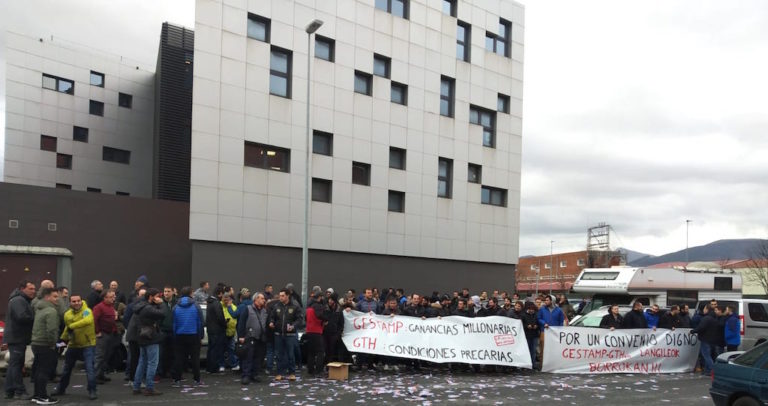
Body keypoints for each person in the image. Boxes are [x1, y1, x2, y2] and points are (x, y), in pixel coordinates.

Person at [55, 294, 97, 400]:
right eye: (74, 301)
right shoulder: (67, 314)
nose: (77, 303)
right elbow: (67, 330)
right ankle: (60, 389)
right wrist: (61, 341)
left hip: (88, 344)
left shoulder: (87, 311)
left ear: (81, 301)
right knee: (66, 369)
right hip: (73, 345)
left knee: (90, 369)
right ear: (70, 303)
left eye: (78, 300)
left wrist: (72, 326)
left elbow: (88, 321)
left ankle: (92, 390)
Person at [3, 280, 36, 400]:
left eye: (34, 289)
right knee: (16, 365)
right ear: (22, 289)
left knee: (14, 364)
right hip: (17, 337)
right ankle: (19, 391)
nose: (34, 291)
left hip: (16, 337)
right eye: (31, 289)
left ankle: (9, 391)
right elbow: (22, 317)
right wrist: (35, 317)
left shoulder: (19, 299)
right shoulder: (18, 300)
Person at [30, 287, 62, 404]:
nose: (57, 299)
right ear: (47, 297)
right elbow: (52, 330)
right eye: (55, 296)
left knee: (38, 370)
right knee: (44, 371)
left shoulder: (39, 309)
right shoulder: (51, 311)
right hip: (45, 344)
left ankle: (36, 395)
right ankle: (42, 396)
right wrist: (53, 343)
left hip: (36, 343)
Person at [132, 288, 166, 396]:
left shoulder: (141, 306)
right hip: (151, 337)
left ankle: (136, 386)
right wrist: (162, 304)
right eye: (157, 296)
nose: (159, 298)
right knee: (152, 363)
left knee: (142, 362)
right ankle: (149, 387)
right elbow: (162, 314)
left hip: (142, 336)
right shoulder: (148, 308)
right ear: (151, 297)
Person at [171, 287, 204, 387]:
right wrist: (200, 336)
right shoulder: (196, 306)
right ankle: (197, 379)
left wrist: (175, 335)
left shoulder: (176, 306)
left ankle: (177, 380)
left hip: (179, 335)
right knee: (195, 359)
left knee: (179, 358)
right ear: (190, 293)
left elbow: (174, 323)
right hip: (193, 334)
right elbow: (200, 322)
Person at [269, 288, 304, 381]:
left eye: (283, 296)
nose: (280, 297)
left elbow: (300, 319)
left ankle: (292, 373)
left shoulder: (295, 306)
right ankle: (279, 373)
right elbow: (272, 317)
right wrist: (271, 322)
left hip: (290, 335)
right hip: (278, 334)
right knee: (279, 354)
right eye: (280, 296)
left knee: (290, 354)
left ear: (288, 296)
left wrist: (293, 326)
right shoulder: (277, 306)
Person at [237, 293, 268, 384]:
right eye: (262, 298)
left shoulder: (264, 311)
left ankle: (255, 374)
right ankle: (246, 375)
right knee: (248, 357)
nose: (264, 300)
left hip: (260, 338)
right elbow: (241, 323)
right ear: (256, 299)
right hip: (249, 337)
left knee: (258, 358)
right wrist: (241, 336)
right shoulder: (248, 309)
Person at [93, 290, 120, 384]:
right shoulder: (99, 307)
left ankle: (101, 374)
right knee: (100, 356)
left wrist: (115, 330)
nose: (113, 298)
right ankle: (95, 376)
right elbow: (94, 320)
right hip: (102, 334)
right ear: (105, 298)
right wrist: (97, 332)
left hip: (110, 333)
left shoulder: (111, 306)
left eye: (113, 297)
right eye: (111, 297)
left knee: (106, 355)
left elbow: (112, 320)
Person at [691, 305, 724, 375]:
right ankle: (707, 370)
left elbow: (701, 327)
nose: (703, 310)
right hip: (713, 340)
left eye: (704, 309)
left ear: (707, 309)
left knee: (706, 356)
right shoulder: (714, 318)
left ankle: (712, 370)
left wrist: (693, 331)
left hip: (706, 339)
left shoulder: (706, 318)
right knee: (708, 355)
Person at [304, 289, 327, 376]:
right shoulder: (318, 306)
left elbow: (306, 318)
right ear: (320, 297)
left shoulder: (309, 307)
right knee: (320, 351)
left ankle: (310, 370)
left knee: (311, 352)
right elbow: (319, 315)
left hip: (309, 330)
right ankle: (319, 370)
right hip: (316, 331)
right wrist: (326, 320)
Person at [206, 287, 227, 373]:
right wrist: (225, 324)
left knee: (211, 348)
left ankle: (209, 367)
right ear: (220, 293)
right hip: (217, 330)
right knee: (216, 349)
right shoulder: (216, 303)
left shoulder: (209, 303)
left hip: (210, 329)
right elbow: (220, 317)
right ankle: (214, 368)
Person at [158, 286, 176, 378]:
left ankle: (172, 371)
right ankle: (161, 372)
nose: (166, 293)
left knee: (173, 353)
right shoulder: (160, 303)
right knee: (161, 353)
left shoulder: (176, 303)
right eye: (165, 291)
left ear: (172, 292)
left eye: (168, 291)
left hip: (173, 331)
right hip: (163, 331)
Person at [221, 293, 240, 371]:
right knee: (222, 349)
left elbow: (236, 317)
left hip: (231, 332)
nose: (226, 301)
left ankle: (233, 364)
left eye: (227, 299)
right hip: (223, 331)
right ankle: (221, 365)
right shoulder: (220, 306)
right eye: (224, 299)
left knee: (231, 349)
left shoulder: (234, 307)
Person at [522, 302, 540, 368]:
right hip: (527, 335)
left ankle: (533, 364)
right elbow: (521, 324)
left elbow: (539, 323)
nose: (532, 310)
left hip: (535, 335)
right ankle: (527, 364)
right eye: (530, 309)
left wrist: (537, 326)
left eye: (533, 309)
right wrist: (527, 326)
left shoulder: (536, 314)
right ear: (528, 309)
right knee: (527, 350)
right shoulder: (523, 315)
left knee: (533, 350)